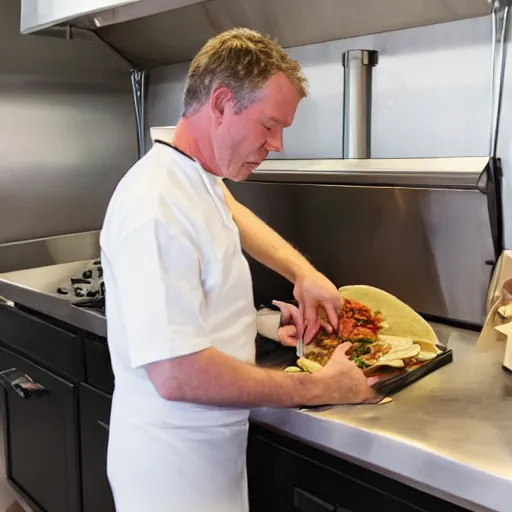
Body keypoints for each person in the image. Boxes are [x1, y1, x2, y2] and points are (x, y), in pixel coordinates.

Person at [100, 27, 378, 512]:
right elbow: (179, 375)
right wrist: (321, 387)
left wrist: (294, 281)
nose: (278, 144)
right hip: (170, 476)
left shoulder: (195, 175)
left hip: (208, 460)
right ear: (223, 103)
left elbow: (229, 212)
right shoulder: (155, 205)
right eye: (269, 125)